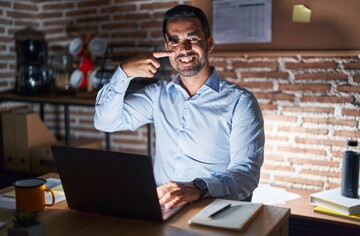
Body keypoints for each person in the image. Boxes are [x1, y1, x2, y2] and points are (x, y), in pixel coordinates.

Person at [94, 4, 264, 209]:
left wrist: (198, 188)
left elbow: (247, 174)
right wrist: (124, 72)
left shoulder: (241, 102)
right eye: (175, 41)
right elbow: (105, 121)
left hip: (212, 209)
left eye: (192, 39)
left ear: (209, 43)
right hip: (163, 207)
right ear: (167, 47)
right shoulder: (158, 95)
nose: (184, 49)